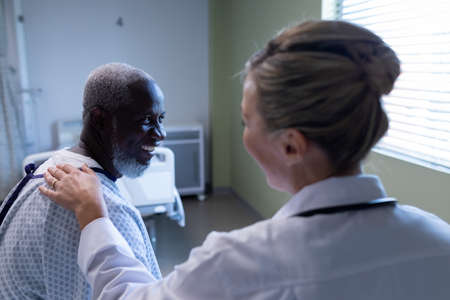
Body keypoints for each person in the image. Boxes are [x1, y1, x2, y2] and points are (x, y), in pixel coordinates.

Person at [41, 21, 450, 299]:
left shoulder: (236, 264)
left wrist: (93, 215)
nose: (243, 135)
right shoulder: (437, 241)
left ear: (290, 145)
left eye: (246, 121)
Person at [0, 63, 164, 299]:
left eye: (161, 118)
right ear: (100, 120)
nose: (161, 134)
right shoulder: (104, 213)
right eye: (147, 120)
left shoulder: (51, 167)